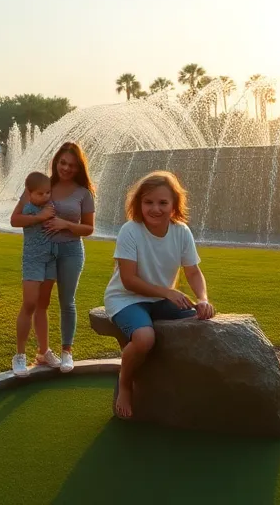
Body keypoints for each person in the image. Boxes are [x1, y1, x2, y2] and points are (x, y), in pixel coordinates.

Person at [103, 171, 215, 419]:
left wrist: (203, 299)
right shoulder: (130, 230)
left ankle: (186, 388)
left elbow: (194, 272)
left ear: (174, 204)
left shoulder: (181, 232)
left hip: (160, 300)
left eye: (163, 202)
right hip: (125, 298)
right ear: (138, 204)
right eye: (148, 202)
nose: (155, 209)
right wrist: (168, 292)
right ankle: (125, 383)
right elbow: (129, 280)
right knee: (144, 338)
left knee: (202, 320)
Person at [9, 142, 95, 373]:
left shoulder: (83, 193)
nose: (66, 168)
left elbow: (88, 229)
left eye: (72, 165)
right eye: (63, 162)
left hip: (71, 251)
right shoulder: (41, 185)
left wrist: (65, 224)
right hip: (45, 253)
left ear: (79, 168)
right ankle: (42, 351)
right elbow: (15, 219)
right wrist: (40, 218)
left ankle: (67, 351)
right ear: (56, 161)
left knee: (67, 302)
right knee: (40, 304)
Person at [12, 171, 57, 376]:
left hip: (51, 259)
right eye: (40, 193)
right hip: (32, 260)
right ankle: (19, 355)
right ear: (29, 193)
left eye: (48, 192)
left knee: (43, 305)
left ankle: (43, 351)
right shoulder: (28, 206)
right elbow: (14, 220)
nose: (45, 196)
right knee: (29, 303)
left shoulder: (50, 204)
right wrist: (40, 217)